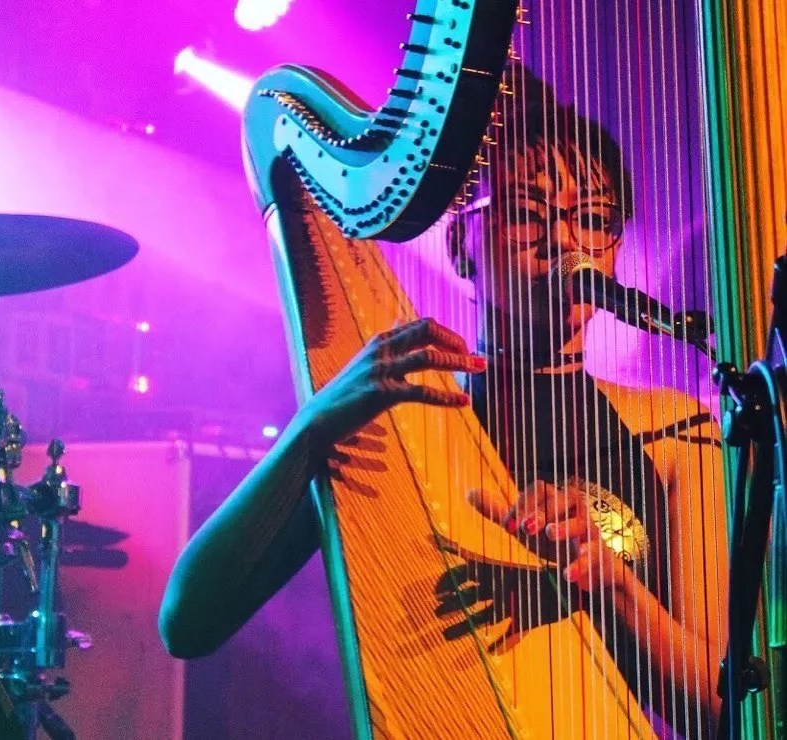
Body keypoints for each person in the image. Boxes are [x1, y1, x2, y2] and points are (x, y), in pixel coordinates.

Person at [160, 65, 726, 737]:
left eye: (594, 220)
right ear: (461, 244)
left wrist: (611, 584)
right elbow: (188, 622)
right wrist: (312, 428)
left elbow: (719, 710)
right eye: (528, 214)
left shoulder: (676, 429)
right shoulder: (397, 432)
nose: (565, 243)